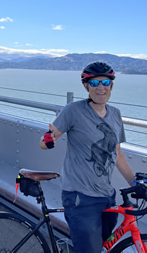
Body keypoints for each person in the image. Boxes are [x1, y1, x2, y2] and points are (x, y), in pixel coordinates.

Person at [39, 61, 135, 253]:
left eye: (105, 82)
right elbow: (44, 141)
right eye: (94, 83)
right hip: (80, 197)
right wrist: (49, 140)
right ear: (86, 86)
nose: (100, 88)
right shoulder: (73, 111)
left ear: (112, 85)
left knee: (101, 248)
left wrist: (135, 183)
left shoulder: (115, 114)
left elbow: (118, 155)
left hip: (107, 196)